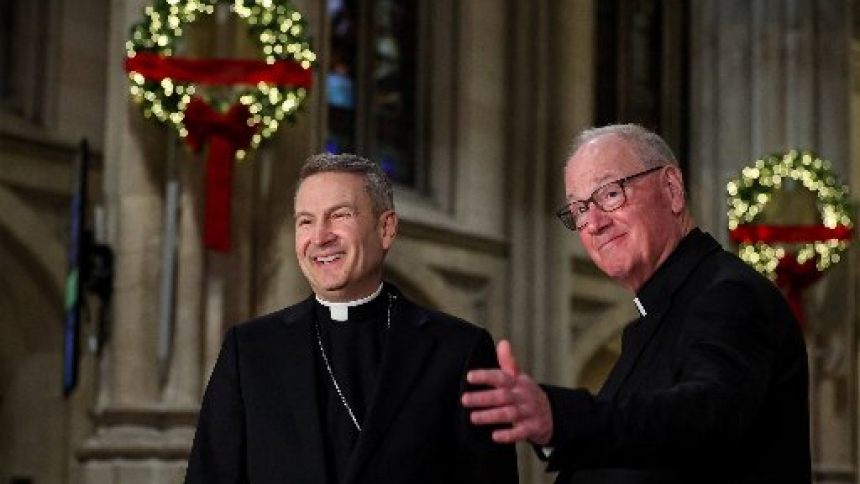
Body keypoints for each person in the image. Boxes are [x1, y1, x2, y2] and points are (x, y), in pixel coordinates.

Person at [461, 124, 811, 483]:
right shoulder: (655, 315)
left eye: (610, 194)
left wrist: (561, 419)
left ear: (672, 190)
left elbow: (707, 414)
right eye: (579, 209)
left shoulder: (728, 294)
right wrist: (551, 435)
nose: (593, 223)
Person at [184, 153, 518, 484]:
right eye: (305, 221)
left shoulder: (458, 351)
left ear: (385, 229)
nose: (319, 237)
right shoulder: (251, 350)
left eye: (339, 215)